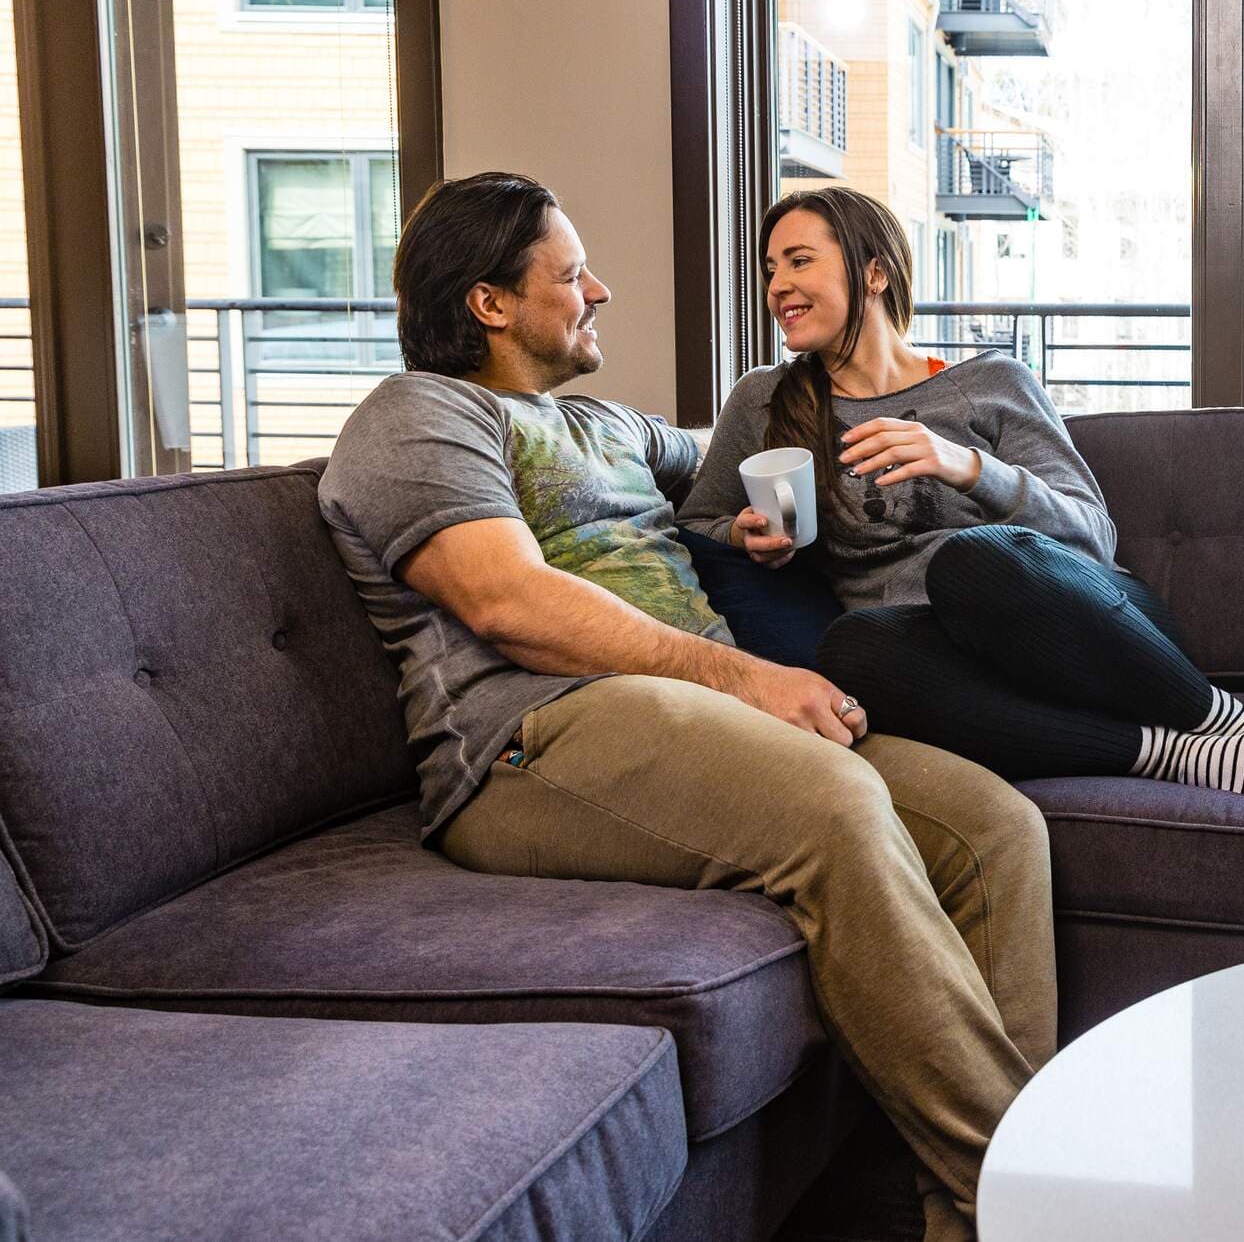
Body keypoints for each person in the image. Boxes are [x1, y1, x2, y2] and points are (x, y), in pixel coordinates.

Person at [316, 172, 1041, 1242]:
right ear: (490, 304)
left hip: (699, 723)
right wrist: (747, 676)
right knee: (835, 806)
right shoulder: (419, 416)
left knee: (994, 831)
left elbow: (726, 465)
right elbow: (507, 602)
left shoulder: (606, 426)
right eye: (570, 275)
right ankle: (1030, 1197)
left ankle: (959, 1214)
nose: (599, 290)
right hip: (536, 736)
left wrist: (765, 524)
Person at [677, 187, 1244, 801]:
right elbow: (698, 519)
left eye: (798, 261)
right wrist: (744, 534)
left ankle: (1210, 712)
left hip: (1086, 630)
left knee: (969, 562)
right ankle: (1160, 751)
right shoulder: (764, 401)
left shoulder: (990, 380)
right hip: (944, 664)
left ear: (873, 273)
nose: (777, 286)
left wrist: (967, 467)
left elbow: (1091, 536)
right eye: (769, 269)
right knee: (849, 650)